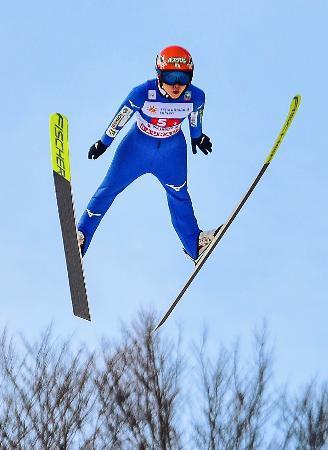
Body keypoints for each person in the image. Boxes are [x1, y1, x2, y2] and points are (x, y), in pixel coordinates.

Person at [77, 45, 216, 264]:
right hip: (136, 148)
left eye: (183, 77)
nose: (177, 84)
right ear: (159, 74)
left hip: (172, 152)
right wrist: (104, 143)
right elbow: (121, 117)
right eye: (171, 77)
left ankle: (194, 244)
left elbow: (195, 118)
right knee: (109, 188)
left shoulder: (195, 96)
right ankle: (81, 235)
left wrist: (197, 136)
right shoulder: (142, 92)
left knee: (179, 195)